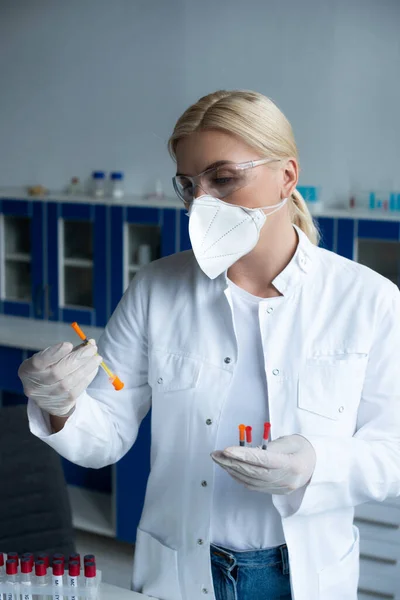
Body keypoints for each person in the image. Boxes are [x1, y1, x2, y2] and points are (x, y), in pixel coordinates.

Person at [18, 90, 400, 600]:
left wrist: (314, 464)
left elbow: (392, 454)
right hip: (182, 569)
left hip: (304, 574)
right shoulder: (156, 288)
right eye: (188, 185)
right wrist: (61, 406)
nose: (203, 202)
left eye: (223, 178)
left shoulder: (367, 300)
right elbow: (105, 432)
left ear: (286, 176)